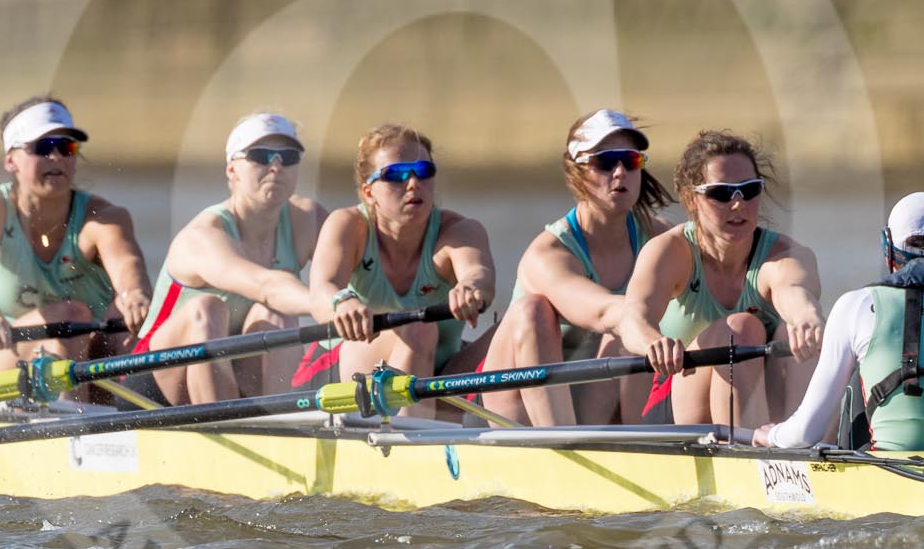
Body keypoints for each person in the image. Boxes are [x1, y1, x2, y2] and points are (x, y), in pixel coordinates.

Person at [753, 192, 924, 451]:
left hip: (886, 472)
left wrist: (771, 435)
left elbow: (804, 434)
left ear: (887, 249)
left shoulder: (855, 306)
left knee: (857, 382)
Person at [616, 130, 824, 427]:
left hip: (763, 407)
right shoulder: (669, 252)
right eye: (721, 194)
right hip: (679, 404)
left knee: (792, 332)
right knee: (740, 329)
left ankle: (799, 452)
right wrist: (654, 343)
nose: (738, 205)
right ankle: (753, 457)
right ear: (691, 198)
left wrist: (807, 317)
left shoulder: (787, 256)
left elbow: (794, 292)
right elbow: (632, 319)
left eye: (749, 190)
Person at [480, 109, 671, 427]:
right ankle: (561, 449)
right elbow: (604, 313)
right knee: (533, 310)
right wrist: (651, 337)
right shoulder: (549, 253)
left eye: (631, 160)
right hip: (514, 411)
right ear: (576, 172)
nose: (621, 172)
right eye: (606, 162)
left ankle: (645, 447)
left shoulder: (659, 238)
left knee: (626, 339)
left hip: (588, 399)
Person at [308, 123, 496, 415]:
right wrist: (342, 302)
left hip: (441, 372)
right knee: (420, 331)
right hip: (356, 366)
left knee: (519, 323)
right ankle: (415, 441)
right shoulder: (348, 226)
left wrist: (470, 288)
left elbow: (479, 274)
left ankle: (555, 438)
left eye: (423, 171)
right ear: (369, 192)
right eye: (395, 175)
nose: (412, 184)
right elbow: (321, 290)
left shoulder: (459, 231)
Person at [136, 113, 326, 403]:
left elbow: (366, 273)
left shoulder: (307, 220)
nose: (276, 166)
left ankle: (282, 424)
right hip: (151, 385)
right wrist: (331, 304)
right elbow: (266, 286)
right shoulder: (203, 236)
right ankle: (225, 428)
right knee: (207, 309)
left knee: (278, 315)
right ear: (232, 170)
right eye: (260, 156)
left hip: (233, 372)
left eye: (288, 157)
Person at [0, 96, 152, 376]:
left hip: (88, 358)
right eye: (44, 147)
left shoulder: (104, 217)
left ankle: (115, 406)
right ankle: (78, 412)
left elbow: (127, 263)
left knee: (124, 310)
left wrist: (135, 294)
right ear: (11, 160)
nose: (57, 157)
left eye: (66, 147)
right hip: (3, 356)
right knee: (70, 315)